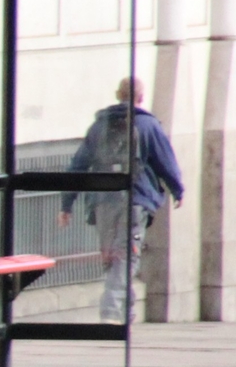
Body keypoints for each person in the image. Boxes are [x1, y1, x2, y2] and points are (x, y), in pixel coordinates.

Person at [62, 76, 183, 325]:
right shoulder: (148, 127)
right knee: (126, 256)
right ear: (140, 97)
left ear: (118, 95)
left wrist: (67, 203)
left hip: (103, 200)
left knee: (114, 257)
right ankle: (111, 311)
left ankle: (126, 313)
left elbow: (79, 164)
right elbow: (166, 162)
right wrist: (177, 189)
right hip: (135, 199)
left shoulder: (99, 127)